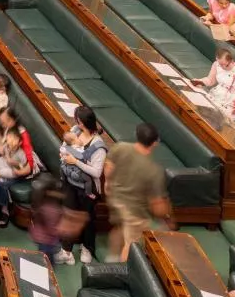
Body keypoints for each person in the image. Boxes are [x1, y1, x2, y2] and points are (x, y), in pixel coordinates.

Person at [104, 122, 171, 261]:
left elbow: (108, 167)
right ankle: (124, 271)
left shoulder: (120, 147)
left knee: (119, 228)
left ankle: (112, 259)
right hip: (134, 212)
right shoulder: (154, 171)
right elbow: (157, 204)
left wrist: (108, 184)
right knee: (131, 244)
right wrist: (167, 216)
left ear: (136, 135)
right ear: (154, 143)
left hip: (114, 199)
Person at [56, 106, 109, 263]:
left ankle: (87, 248)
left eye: (77, 120)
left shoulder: (98, 146)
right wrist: (64, 155)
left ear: (82, 122)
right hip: (71, 182)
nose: (75, 123)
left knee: (86, 218)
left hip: (88, 187)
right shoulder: (75, 131)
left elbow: (96, 173)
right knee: (68, 214)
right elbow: (63, 147)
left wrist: (76, 162)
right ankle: (66, 252)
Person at [0, 104, 36, 228]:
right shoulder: (6, 128)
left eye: (5, 121)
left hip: (20, 168)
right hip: (6, 160)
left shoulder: (22, 135)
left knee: (0, 181)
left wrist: (19, 171)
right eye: (1, 121)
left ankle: (4, 210)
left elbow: (28, 164)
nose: (3, 123)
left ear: (12, 120)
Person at [26, 178, 65, 268]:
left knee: (46, 256)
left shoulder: (43, 206)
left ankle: (48, 268)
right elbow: (53, 228)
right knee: (46, 255)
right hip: (47, 239)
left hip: (45, 240)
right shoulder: (53, 209)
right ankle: (49, 267)